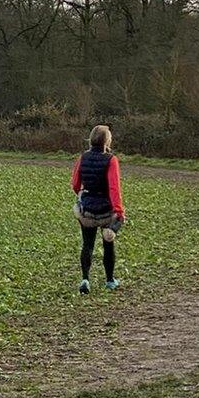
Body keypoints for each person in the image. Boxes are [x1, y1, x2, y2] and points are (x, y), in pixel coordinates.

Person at [71, 125, 125, 294]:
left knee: (87, 245)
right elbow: (114, 188)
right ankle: (109, 280)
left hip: (87, 209)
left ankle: (85, 279)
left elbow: (75, 184)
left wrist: (83, 195)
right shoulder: (111, 160)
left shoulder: (82, 158)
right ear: (107, 140)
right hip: (106, 210)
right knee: (108, 243)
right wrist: (119, 211)